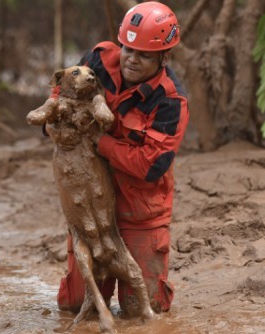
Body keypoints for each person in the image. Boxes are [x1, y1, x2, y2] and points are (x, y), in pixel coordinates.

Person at [55, 1, 189, 316]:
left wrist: (100, 141)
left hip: (141, 211)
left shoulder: (170, 101)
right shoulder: (97, 60)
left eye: (144, 54)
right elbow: (63, 90)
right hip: (91, 204)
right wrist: (54, 117)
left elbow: (151, 164)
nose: (131, 59)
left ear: (164, 57)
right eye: (128, 49)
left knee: (142, 310)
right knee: (76, 306)